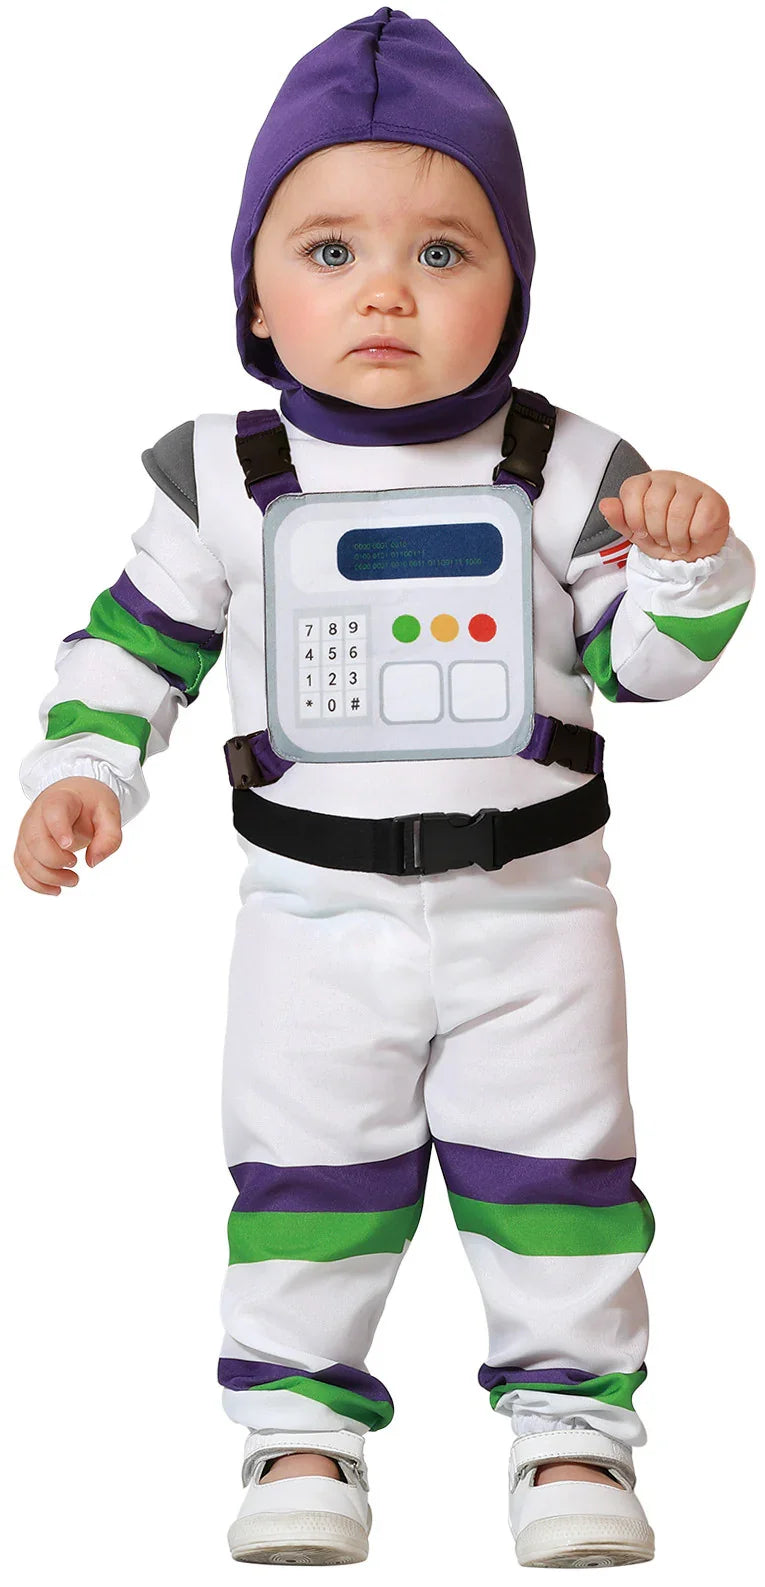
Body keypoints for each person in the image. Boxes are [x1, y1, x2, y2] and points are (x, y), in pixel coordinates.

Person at [15, 6, 755, 1570]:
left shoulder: (570, 464)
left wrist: (688, 569)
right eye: (330, 249)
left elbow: (638, 673)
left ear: (512, 289)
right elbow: (132, 647)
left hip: (534, 913)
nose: (384, 291)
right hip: (308, 914)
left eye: (441, 253)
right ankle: (297, 1429)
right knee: (305, 1175)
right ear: (255, 295)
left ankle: (572, 1435)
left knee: (559, 1179)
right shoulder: (219, 477)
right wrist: (85, 769)